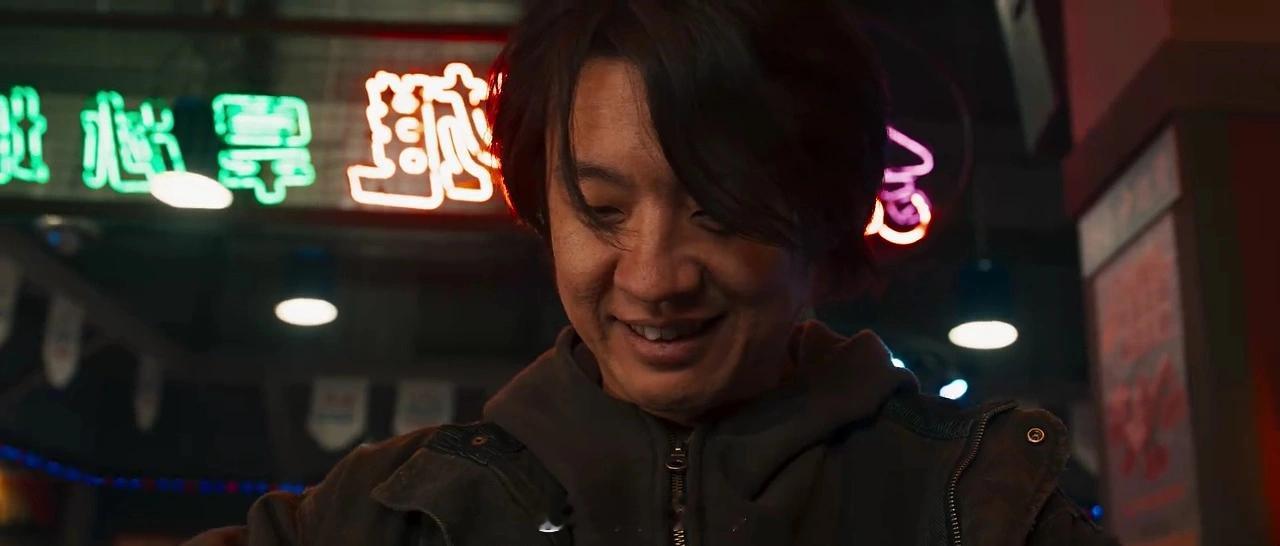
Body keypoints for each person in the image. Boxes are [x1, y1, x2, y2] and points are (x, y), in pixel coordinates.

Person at [187, 0, 1115, 544]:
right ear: (542, 211)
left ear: (821, 212)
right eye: (601, 209)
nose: (655, 276)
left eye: (719, 209)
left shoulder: (977, 506)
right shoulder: (397, 514)